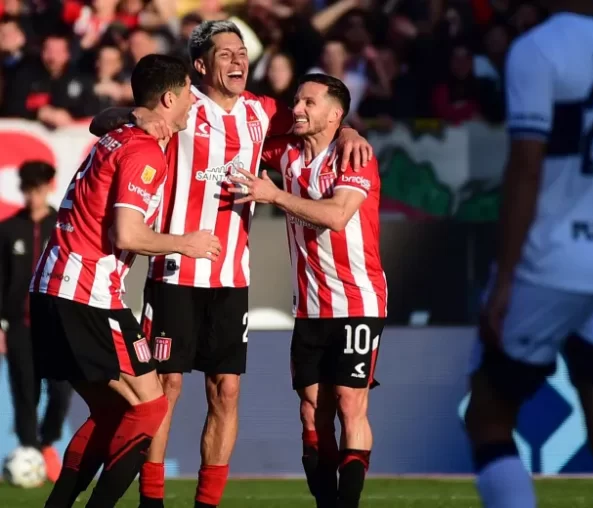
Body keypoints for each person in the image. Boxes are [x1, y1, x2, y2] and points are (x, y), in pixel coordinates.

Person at [87, 20, 373, 508]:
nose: (239, 61)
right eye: (225, 54)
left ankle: (206, 504)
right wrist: (128, 113)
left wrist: (346, 128)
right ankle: (152, 500)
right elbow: (101, 124)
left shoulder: (261, 113)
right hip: (175, 270)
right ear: (200, 65)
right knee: (168, 386)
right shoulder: (178, 107)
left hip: (230, 276)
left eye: (242, 53)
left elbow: (319, 116)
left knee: (226, 393)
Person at [464, 1, 593, 506]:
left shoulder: (538, 49)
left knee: (487, 414)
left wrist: (506, 276)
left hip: (553, 259)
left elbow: (526, 167)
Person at [31, 53, 221, 508]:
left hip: (56, 286)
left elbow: (104, 120)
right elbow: (128, 234)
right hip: (86, 291)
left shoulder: (119, 133)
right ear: (170, 98)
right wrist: (185, 243)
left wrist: (134, 113)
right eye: (189, 98)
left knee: (114, 409)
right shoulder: (143, 150)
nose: (195, 106)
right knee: (151, 406)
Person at [229, 73, 387, 508]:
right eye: (297, 101)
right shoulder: (286, 154)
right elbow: (235, 121)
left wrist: (275, 196)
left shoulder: (354, 156)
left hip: (358, 300)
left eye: (309, 103)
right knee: (310, 412)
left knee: (350, 404)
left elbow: (337, 216)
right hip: (309, 306)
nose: (297, 109)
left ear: (335, 114)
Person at [0, 161, 73, 483]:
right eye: (29, 190)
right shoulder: (7, 230)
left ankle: (45, 444)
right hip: (18, 326)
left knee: (61, 390)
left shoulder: (64, 226)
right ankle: (30, 454)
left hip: (56, 324)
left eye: (39, 189)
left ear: (49, 187)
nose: (34, 196)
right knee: (24, 393)